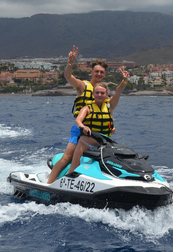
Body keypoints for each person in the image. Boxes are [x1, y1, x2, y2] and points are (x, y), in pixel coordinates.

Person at [47, 46, 129, 183]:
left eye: (101, 72)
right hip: (80, 130)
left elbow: (116, 97)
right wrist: (70, 62)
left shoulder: (104, 95)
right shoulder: (82, 86)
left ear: (104, 74)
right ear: (91, 72)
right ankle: (49, 183)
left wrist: (124, 81)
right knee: (67, 157)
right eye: (96, 71)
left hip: (97, 133)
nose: (99, 74)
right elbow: (68, 76)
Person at [67, 80, 127, 174]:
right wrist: (83, 127)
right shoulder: (87, 108)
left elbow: (118, 92)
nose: (99, 95)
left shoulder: (109, 107)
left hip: (103, 146)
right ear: (93, 94)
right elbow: (78, 120)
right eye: (97, 92)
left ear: (106, 94)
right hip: (85, 144)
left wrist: (124, 81)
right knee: (74, 169)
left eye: (102, 93)